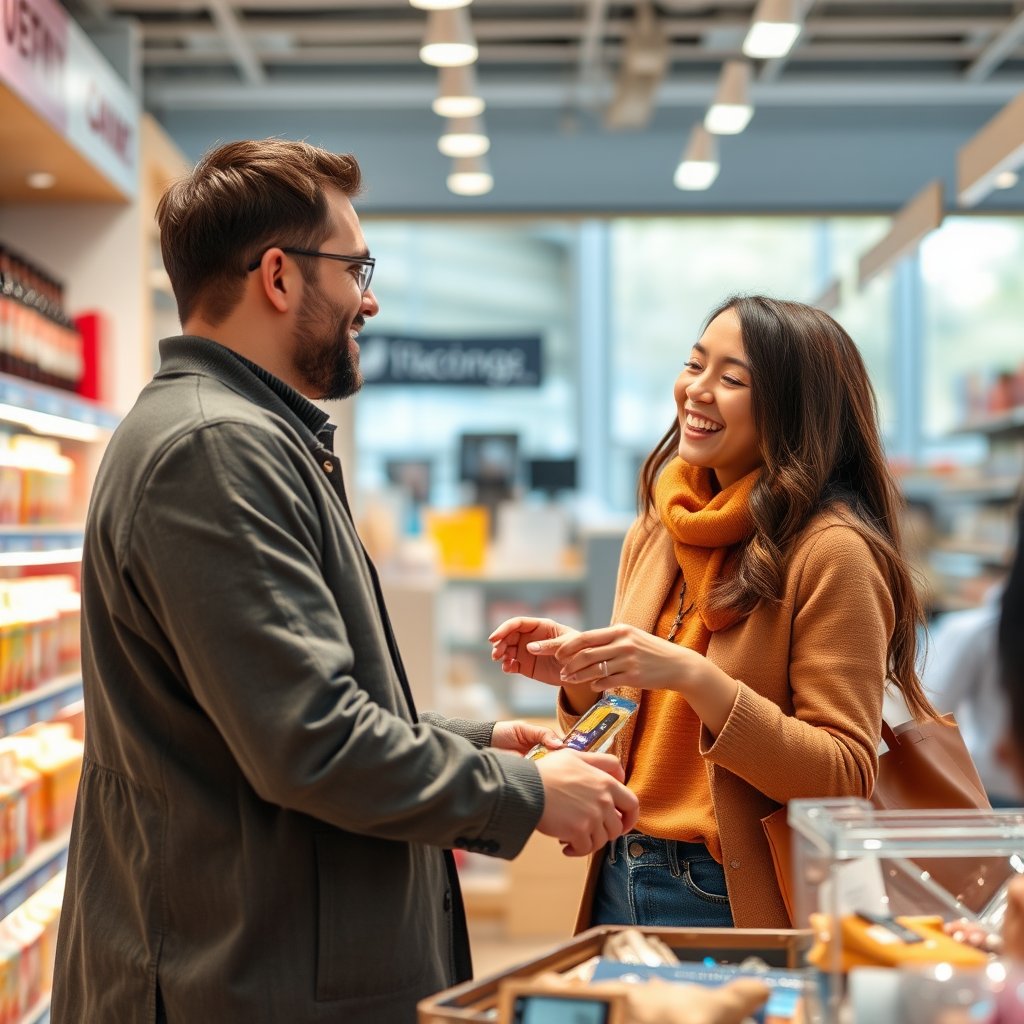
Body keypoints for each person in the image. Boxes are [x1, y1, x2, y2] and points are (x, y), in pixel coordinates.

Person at [52, 140, 639, 1024]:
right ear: (279, 277)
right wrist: (528, 795)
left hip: (262, 959)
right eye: (356, 267)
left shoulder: (246, 437)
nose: (370, 298)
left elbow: (279, 703)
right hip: (247, 978)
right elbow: (311, 739)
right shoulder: (215, 450)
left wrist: (489, 741)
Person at [491, 295, 937, 931]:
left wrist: (696, 679)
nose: (696, 390)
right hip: (619, 870)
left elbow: (842, 776)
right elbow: (638, 733)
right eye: (694, 364)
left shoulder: (832, 550)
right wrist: (583, 673)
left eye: (732, 379)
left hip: (726, 890)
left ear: (795, 409)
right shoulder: (659, 525)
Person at [924, 582, 1021, 807]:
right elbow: (930, 712)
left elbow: (929, 708)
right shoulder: (979, 630)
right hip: (989, 787)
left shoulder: (975, 628)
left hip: (990, 782)